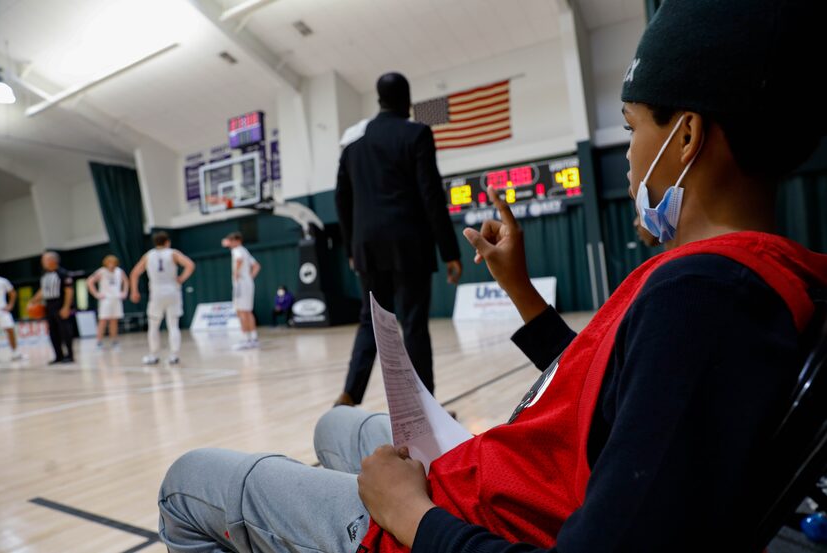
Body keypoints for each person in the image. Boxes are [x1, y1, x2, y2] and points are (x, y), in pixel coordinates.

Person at [157, 1, 827, 552]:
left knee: (186, 483)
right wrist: (522, 291)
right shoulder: (749, 278)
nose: (627, 158)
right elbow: (619, 400)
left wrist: (410, 513)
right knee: (338, 430)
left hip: (463, 521)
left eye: (631, 129)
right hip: (515, 476)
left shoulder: (706, 297)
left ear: (685, 139)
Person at [334, 71, 463, 407]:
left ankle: (349, 395)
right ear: (406, 99)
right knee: (414, 324)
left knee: (370, 321)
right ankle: (425, 406)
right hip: (410, 245)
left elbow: (341, 201)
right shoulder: (416, 134)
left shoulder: (352, 147)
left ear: (378, 100)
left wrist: (351, 248)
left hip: (367, 248)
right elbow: (431, 194)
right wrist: (450, 251)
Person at [130, 232, 195, 365]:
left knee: (153, 326)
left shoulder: (148, 255)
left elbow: (134, 273)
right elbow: (190, 265)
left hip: (156, 293)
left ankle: (153, 355)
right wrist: (182, 278)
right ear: (167, 241)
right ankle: (174, 355)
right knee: (173, 325)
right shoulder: (173, 253)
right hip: (172, 291)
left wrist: (134, 291)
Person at [28, 252, 75, 365]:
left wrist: (66, 307)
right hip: (49, 305)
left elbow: (69, 291)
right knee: (53, 332)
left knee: (65, 331)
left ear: (52, 261)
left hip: (60, 303)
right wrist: (33, 301)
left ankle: (70, 355)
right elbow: (42, 290)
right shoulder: (44, 274)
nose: (42, 262)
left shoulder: (63, 273)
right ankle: (58, 355)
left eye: (44, 260)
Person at [221, 232, 261, 350]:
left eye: (232, 241)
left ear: (238, 241)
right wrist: (250, 277)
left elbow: (239, 260)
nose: (231, 243)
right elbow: (257, 266)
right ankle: (253, 338)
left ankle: (246, 339)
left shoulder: (237, 250)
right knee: (247, 311)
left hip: (241, 284)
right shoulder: (245, 250)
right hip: (247, 282)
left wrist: (236, 273)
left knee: (241, 311)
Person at [87, 255, 128, 350]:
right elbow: (90, 281)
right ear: (106, 263)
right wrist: (96, 294)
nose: (111, 265)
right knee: (103, 320)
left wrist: (124, 292)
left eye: (113, 262)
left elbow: (126, 281)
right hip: (105, 299)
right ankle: (99, 342)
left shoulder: (119, 271)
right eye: (109, 262)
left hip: (116, 298)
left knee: (114, 321)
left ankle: (114, 341)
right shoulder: (101, 271)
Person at [0, 270, 25, 361]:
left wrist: (10, 305)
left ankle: (15, 353)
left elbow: (12, 293)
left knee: (10, 330)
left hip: (2, 310)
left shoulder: (2, 281)